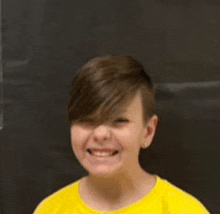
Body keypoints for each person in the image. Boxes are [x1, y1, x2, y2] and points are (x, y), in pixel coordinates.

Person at [33, 54, 210, 213]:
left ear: (147, 131)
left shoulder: (183, 210)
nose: (101, 134)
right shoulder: (51, 210)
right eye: (87, 120)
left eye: (119, 121)